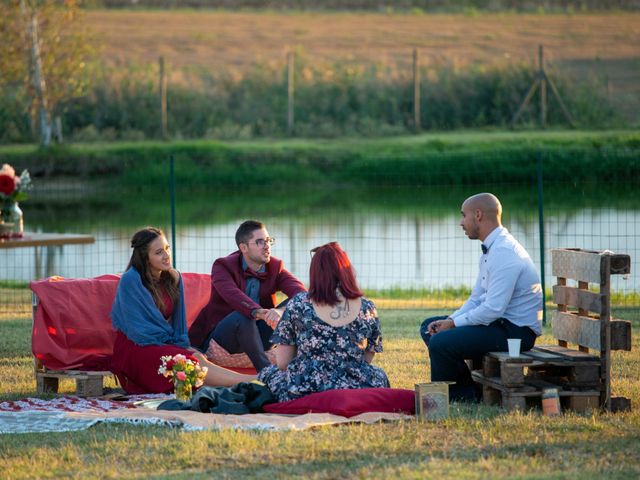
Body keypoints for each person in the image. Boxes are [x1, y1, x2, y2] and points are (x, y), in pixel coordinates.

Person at [419, 193, 543, 402]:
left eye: (463, 215)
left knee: (440, 342)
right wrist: (451, 319)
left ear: (478, 215)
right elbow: (477, 298)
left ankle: (461, 397)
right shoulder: (493, 248)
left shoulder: (504, 252)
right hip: (499, 323)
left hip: (515, 332)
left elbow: (493, 309)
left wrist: (453, 323)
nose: (461, 222)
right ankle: (470, 388)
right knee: (429, 326)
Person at [111, 227, 255, 394]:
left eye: (167, 248)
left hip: (161, 342)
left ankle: (247, 382)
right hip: (136, 347)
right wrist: (175, 347)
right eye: (158, 252)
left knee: (197, 357)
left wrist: (182, 345)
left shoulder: (172, 277)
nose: (166, 255)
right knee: (184, 362)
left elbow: (178, 324)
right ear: (145, 258)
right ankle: (250, 382)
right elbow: (140, 330)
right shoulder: (131, 280)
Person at [258, 242, 390, 402]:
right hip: (357, 386)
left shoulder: (298, 304)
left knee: (269, 374)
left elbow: (283, 363)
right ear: (346, 270)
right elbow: (368, 356)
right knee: (379, 375)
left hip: (306, 387)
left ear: (315, 272)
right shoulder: (368, 307)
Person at [189, 220, 306, 372]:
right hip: (223, 339)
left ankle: (305, 360)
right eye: (260, 242)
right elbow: (232, 294)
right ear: (243, 247)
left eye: (268, 241)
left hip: (260, 336)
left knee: (297, 302)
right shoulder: (222, 266)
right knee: (243, 316)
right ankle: (267, 373)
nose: (267, 246)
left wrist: (279, 312)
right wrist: (258, 312)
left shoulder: (275, 267)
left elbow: (301, 294)